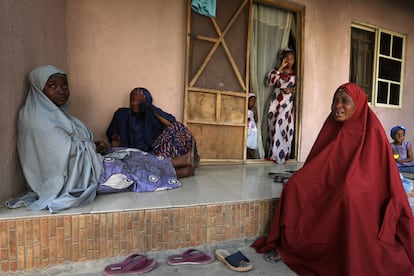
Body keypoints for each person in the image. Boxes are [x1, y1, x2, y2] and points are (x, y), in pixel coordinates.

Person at [252, 83, 414, 275]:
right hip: (335, 181)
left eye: (345, 101)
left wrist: (350, 183)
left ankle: (345, 255)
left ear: (359, 104)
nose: (338, 106)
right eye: (335, 101)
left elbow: (380, 175)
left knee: (349, 193)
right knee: (295, 186)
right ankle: (295, 245)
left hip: (367, 190)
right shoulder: (332, 126)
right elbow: (320, 161)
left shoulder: (373, 131)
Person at [6, 65, 180, 213]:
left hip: (88, 164)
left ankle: (180, 166)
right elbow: (60, 154)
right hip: (74, 177)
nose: (61, 91)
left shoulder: (56, 114)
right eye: (53, 86)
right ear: (39, 89)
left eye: (64, 86)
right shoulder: (36, 118)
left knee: (133, 155)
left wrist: (94, 146)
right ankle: (181, 168)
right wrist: (93, 148)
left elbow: (73, 143)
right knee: (128, 168)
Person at [106, 87, 199, 178]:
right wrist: (116, 144)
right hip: (131, 154)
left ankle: (181, 164)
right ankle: (183, 166)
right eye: (132, 99)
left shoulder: (151, 113)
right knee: (142, 162)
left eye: (138, 100)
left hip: (152, 152)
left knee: (177, 126)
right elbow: (114, 140)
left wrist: (149, 107)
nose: (134, 103)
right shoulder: (121, 114)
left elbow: (171, 123)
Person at [265, 47, 296, 164]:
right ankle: (272, 155)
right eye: (287, 58)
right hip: (275, 104)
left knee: (284, 129)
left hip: (287, 106)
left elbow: (301, 89)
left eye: (292, 58)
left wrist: (292, 90)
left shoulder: (297, 74)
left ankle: (282, 156)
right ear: (282, 59)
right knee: (273, 128)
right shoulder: (276, 71)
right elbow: (269, 82)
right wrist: (280, 68)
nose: (290, 61)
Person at [247, 93, 258, 159]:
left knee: (251, 145)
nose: (253, 103)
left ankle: (252, 158)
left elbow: (256, 120)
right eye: (252, 101)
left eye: (254, 101)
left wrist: (255, 112)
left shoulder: (254, 109)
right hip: (246, 128)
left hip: (252, 129)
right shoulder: (244, 107)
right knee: (246, 144)